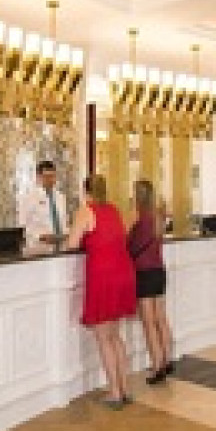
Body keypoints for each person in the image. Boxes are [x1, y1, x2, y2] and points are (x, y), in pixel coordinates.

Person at [66, 174, 137, 409]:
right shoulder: (114, 210)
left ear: (86, 191)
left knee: (103, 337)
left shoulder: (85, 211)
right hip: (122, 272)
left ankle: (115, 392)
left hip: (103, 275)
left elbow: (72, 244)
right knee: (115, 336)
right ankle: (125, 388)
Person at [128, 180, 173, 385]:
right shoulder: (159, 216)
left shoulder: (136, 215)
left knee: (149, 323)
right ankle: (167, 359)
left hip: (143, 273)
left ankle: (157, 366)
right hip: (159, 271)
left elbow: (125, 240)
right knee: (161, 319)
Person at [18, 160, 67, 250]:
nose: (50, 180)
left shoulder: (60, 197)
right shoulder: (29, 198)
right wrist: (40, 236)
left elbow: (63, 221)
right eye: (46, 176)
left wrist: (66, 234)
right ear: (38, 177)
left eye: (52, 176)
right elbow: (23, 226)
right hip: (38, 247)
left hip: (61, 245)